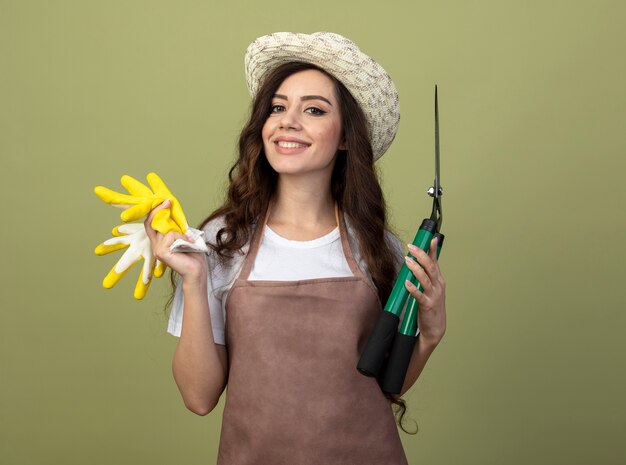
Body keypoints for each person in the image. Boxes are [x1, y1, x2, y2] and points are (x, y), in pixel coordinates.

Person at [144, 32, 446, 465]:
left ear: (345, 138)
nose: (288, 121)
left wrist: (430, 335)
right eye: (278, 107)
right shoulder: (219, 242)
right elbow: (198, 397)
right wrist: (193, 280)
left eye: (314, 110)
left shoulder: (380, 247)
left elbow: (385, 386)